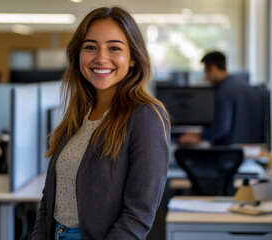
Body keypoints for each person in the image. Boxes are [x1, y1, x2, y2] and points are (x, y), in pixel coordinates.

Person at [31, 7, 170, 240]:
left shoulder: (145, 116)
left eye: (114, 48)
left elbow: (138, 216)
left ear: (133, 58)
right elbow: (51, 196)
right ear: (78, 55)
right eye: (90, 47)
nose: (101, 57)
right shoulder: (78, 113)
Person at [179, 51, 265, 145]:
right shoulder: (248, 87)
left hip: (229, 153)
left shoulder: (223, 90)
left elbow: (221, 128)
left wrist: (199, 136)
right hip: (254, 150)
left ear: (214, 69)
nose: (206, 78)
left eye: (206, 72)